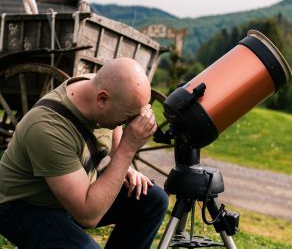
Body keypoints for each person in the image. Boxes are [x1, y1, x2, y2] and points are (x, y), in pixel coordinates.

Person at [0, 58, 169, 249]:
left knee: (152, 201)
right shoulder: (48, 128)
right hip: (24, 206)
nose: (127, 124)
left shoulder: (99, 92)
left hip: (72, 192)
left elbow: (114, 129)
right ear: (102, 99)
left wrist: (125, 166)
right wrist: (127, 150)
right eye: (127, 118)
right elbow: (88, 216)